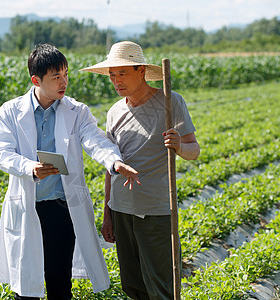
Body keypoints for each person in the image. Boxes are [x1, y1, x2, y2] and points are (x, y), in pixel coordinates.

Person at [0, 43, 140, 300]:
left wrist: (113, 161)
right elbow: (0, 153)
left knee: (60, 283)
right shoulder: (11, 111)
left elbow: (95, 140)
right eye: (56, 77)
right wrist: (30, 168)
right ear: (36, 80)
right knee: (25, 288)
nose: (64, 82)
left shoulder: (77, 111)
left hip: (61, 208)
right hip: (28, 208)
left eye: (66, 74)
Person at [81, 41, 200, 299]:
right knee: (133, 285)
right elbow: (110, 166)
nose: (116, 81)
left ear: (141, 70)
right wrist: (108, 212)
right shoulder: (115, 112)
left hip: (156, 211)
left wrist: (179, 145)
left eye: (122, 73)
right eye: (112, 75)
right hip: (122, 210)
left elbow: (194, 150)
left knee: (160, 285)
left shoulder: (170, 103)